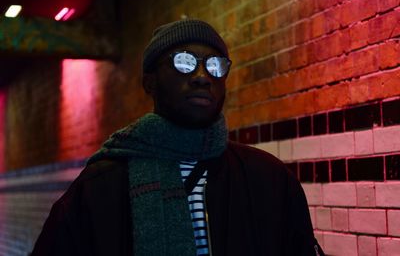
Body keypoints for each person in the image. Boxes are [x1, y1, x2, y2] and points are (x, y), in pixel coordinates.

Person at [31, 19, 325, 256]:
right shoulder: (101, 186)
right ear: (150, 82)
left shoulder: (268, 178)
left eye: (215, 65)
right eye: (184, 62)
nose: (201, 75)